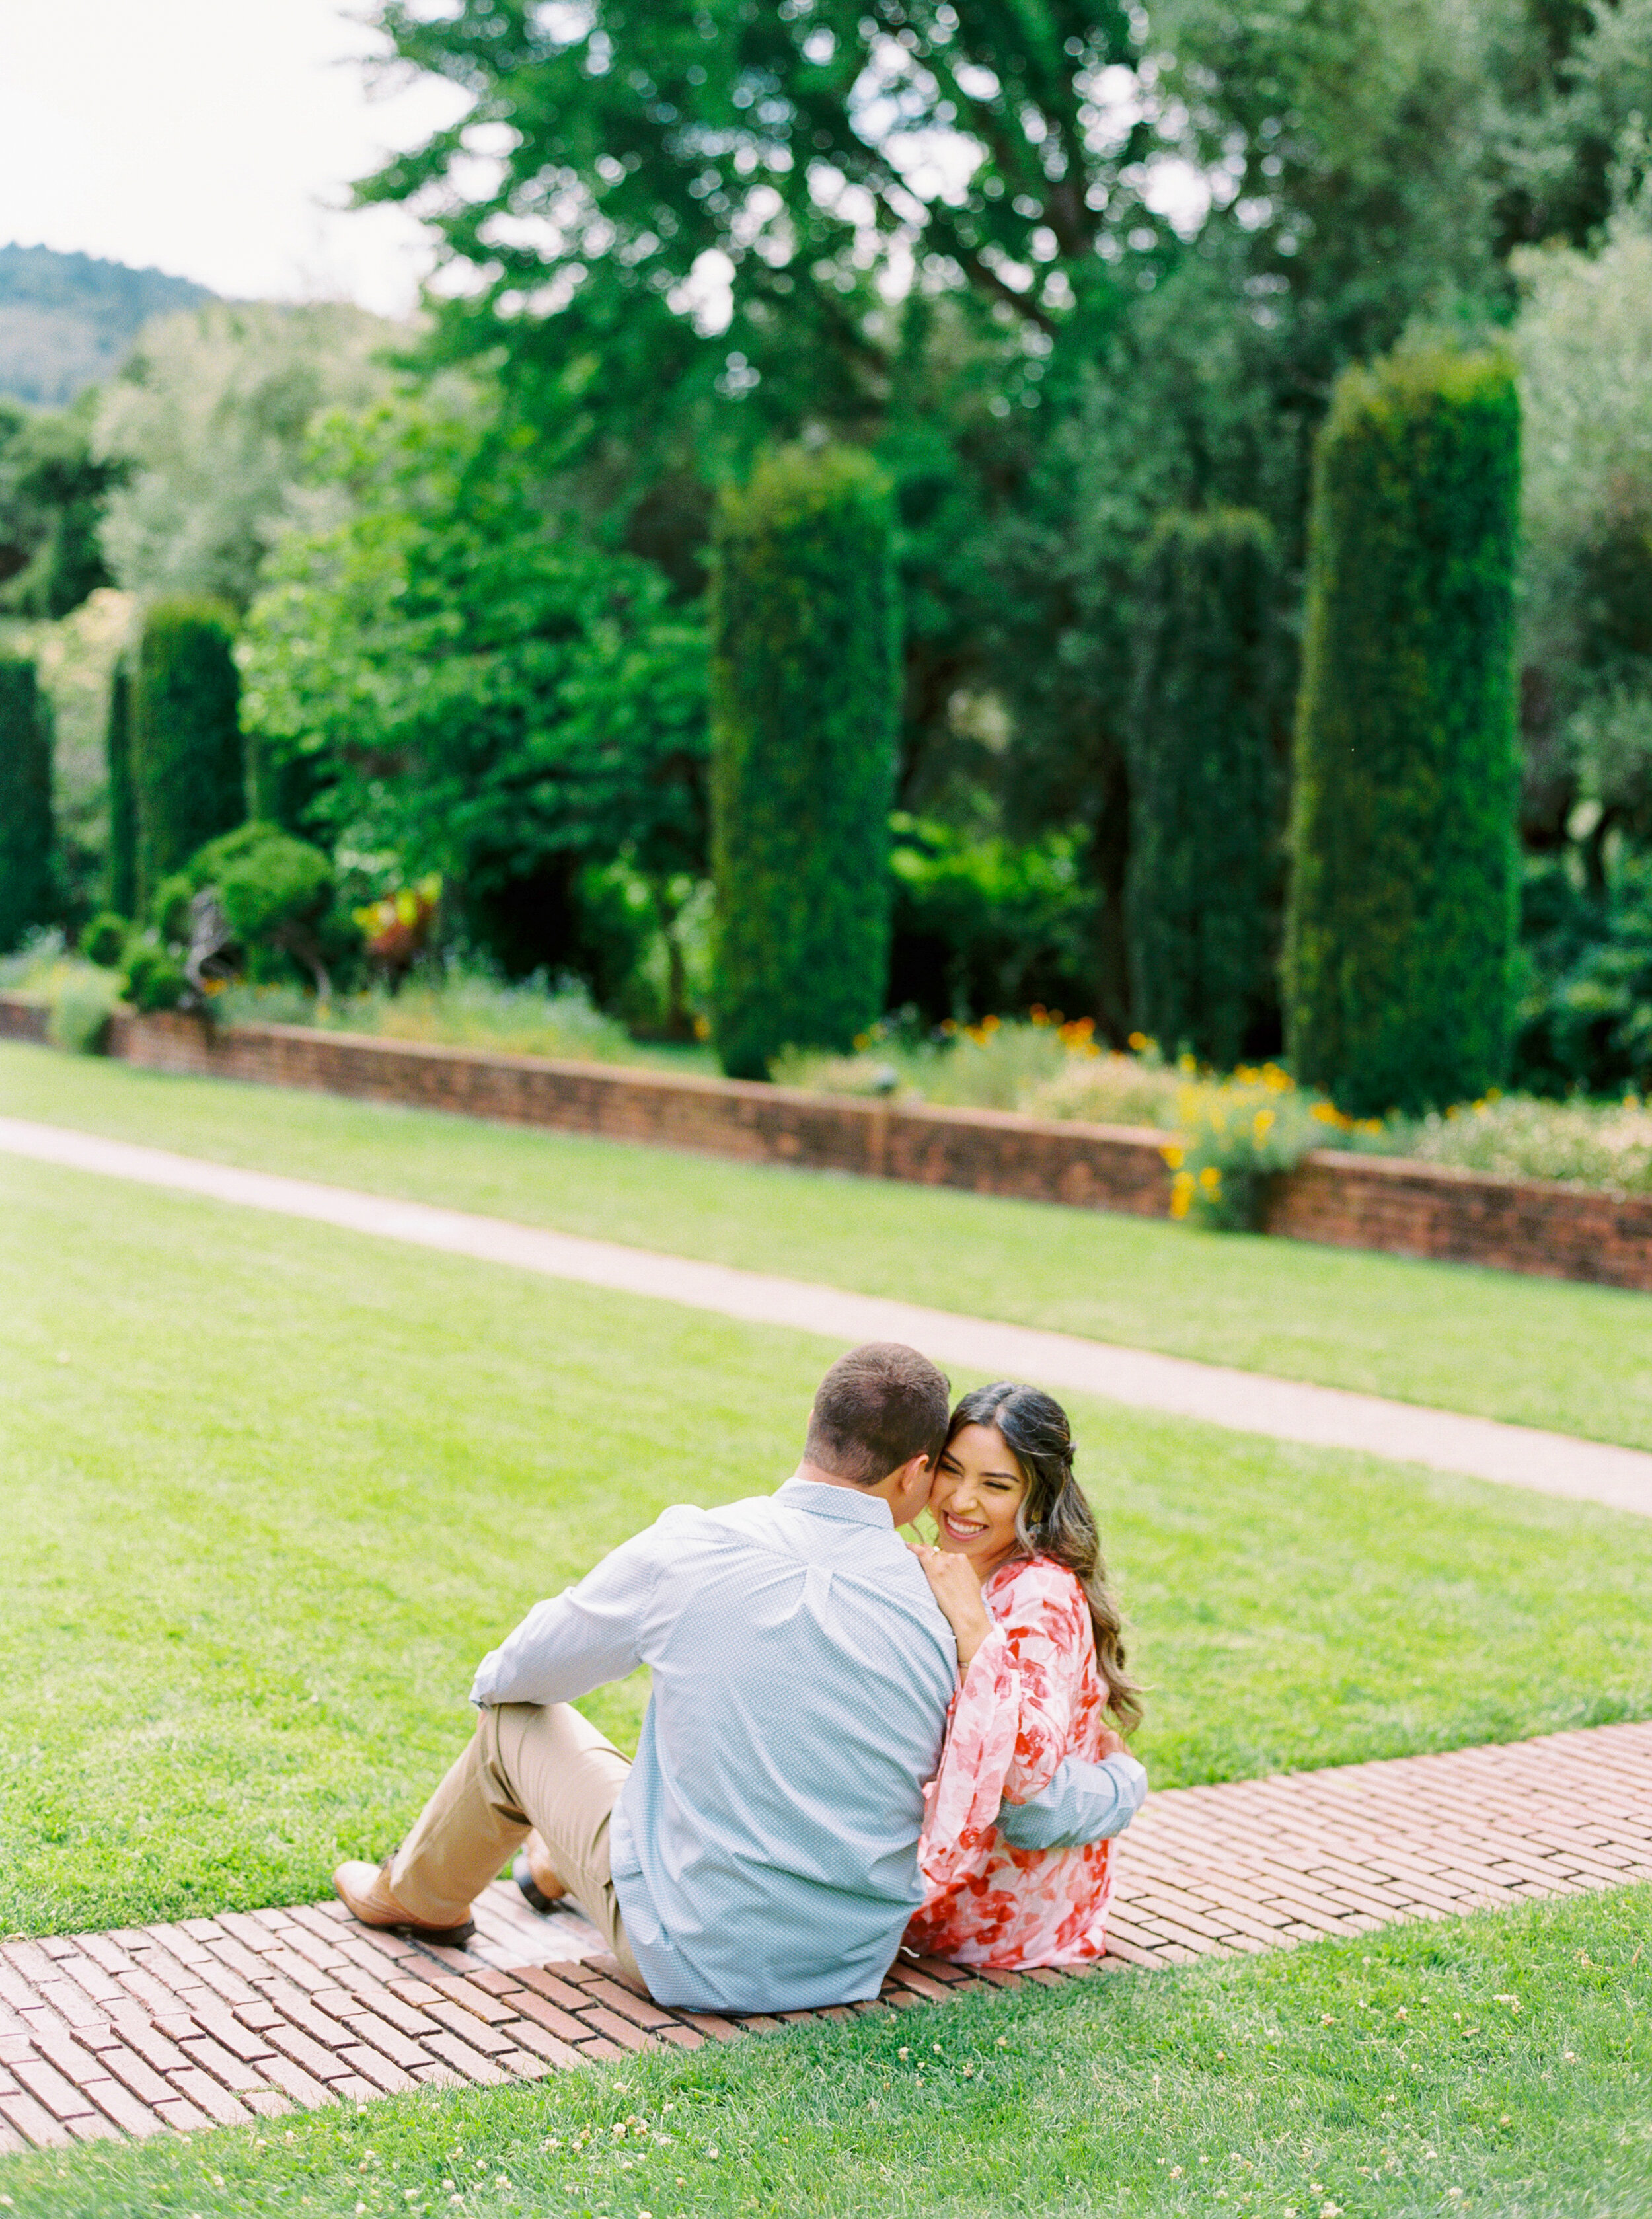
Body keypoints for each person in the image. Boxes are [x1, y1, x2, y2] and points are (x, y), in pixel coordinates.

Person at [334, 1342, 1127, 2015]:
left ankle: (418, 1897)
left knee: (515, 1717)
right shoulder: (949, 1611)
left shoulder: (696, 1546)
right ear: (918, 1472)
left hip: (689, 1953)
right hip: (852, 1962)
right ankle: (550, 1864)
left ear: (815, 1431)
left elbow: (519, 1669)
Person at [904, 1381, 1146, 1969]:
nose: (961, 1502)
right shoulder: (951, 1568)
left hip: (1001, 1916)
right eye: (951, 1471)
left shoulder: (1040, 1592)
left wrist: (972, 1627)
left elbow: (1025, 1788)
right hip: (959, 1884)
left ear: (1037, 1497)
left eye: (996, 1485)